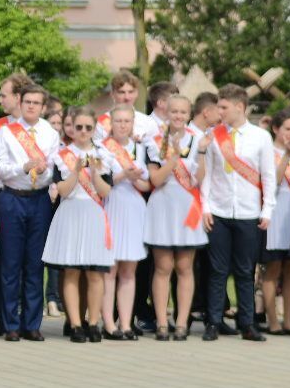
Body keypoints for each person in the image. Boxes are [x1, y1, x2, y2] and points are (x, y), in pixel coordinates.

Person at [197, 84, 276, 342]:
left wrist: (267, 209)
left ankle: (247, 323)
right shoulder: (213, 135)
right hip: (219, 210)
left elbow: (268, 175)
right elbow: (207, 174)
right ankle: (214, 321)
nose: (218, 111)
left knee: (245, 270)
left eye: (223, 107)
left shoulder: (261, 137)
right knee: (217, 270)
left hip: (248, 212)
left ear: (239, 107)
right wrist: (205, 207)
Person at [0, 81, 59, 341]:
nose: (31, 106)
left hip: (39, 199)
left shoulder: (50, 133)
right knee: (10, 263)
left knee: (34, 263)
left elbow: (55, 168)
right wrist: (24, 166)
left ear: (43, 107)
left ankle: (32, 323)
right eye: (27, 102)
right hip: (11, 198)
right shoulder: (8, 132)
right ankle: (10, 324)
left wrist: (43, 172)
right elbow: (1, 169)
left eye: (36, 103)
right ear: (20, 103)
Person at [42, 107, 115, 343]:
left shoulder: (103, 155)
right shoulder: (62, 156)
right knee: (71, 271)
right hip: (71, 213)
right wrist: (75, 171)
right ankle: (74, 324)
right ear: (72, 128)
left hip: (94, 213)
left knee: (95, 273)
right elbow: (61, 190)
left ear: (94, 129)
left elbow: (105, 191)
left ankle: (93, 322)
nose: (83, 132)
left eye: (88, 128)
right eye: (79, 127)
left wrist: (94, 173)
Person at [144, 95, 207, 340]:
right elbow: (156, 179)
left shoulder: (198, 139)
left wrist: (199, 153)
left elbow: (200, 178)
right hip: (162, 207)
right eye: (174, 112)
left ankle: (181, 322)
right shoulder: (153, 140)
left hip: (187, 207)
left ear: (189, 114)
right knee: (163, 266)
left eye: (183, 112)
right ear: (166, 112)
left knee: (184, 266)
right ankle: (161, 322)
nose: (178, 116)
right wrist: (173, 157)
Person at [99, 105, 151, 340]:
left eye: (127, 121)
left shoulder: (141, 148)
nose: (122, 125)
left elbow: (147, 184)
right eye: (118, 121)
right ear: (111, 123)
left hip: (134, 207)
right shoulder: (102, 148)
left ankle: (126, 323)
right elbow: (101, 183)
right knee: (110, 270)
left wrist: (136, 178)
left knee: (129, 270)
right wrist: (123, 176)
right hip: (111, 206)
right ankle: (108, 323)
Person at [261, 109, 290, 335]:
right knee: (273, 268)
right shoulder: (268, 151)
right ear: (276, 129)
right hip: (276, 215)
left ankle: (288, 319)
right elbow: (274, 181)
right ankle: (273, 320)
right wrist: (287, 155)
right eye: (287, 129)